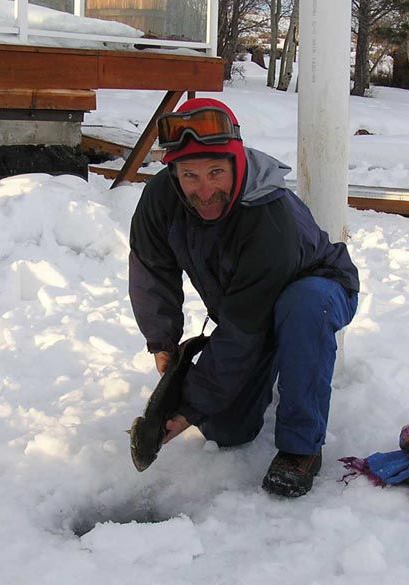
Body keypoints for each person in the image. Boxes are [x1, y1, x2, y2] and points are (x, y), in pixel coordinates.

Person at [128, 98, 359, 497]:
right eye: (190, 175)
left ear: (237, 163)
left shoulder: (271, 219)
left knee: (303, 306)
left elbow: (242, 328)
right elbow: (151, 269)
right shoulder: (162, 197)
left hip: (319, 290)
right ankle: (266, 363)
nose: (204, 190)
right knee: (227, 429)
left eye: (216, 172)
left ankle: (301, 448)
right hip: (251, 309)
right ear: (174, 172)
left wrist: (189, 405)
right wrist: (162, 341)